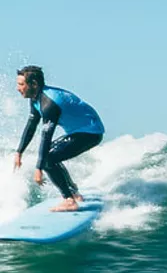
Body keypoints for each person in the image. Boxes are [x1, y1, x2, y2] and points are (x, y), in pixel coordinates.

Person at [13, 65, 105, 211]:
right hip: (79, 131)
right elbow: (31, 125)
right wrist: (19, 152)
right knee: (50, 155)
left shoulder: (49, 103)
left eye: (21, 84)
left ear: (34, 84)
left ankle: (69, 200)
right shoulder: (36, 98)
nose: (18, 88)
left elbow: (46, 136)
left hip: (90, 132)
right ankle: (73, 193)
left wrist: (39, 168)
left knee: (49, 158)